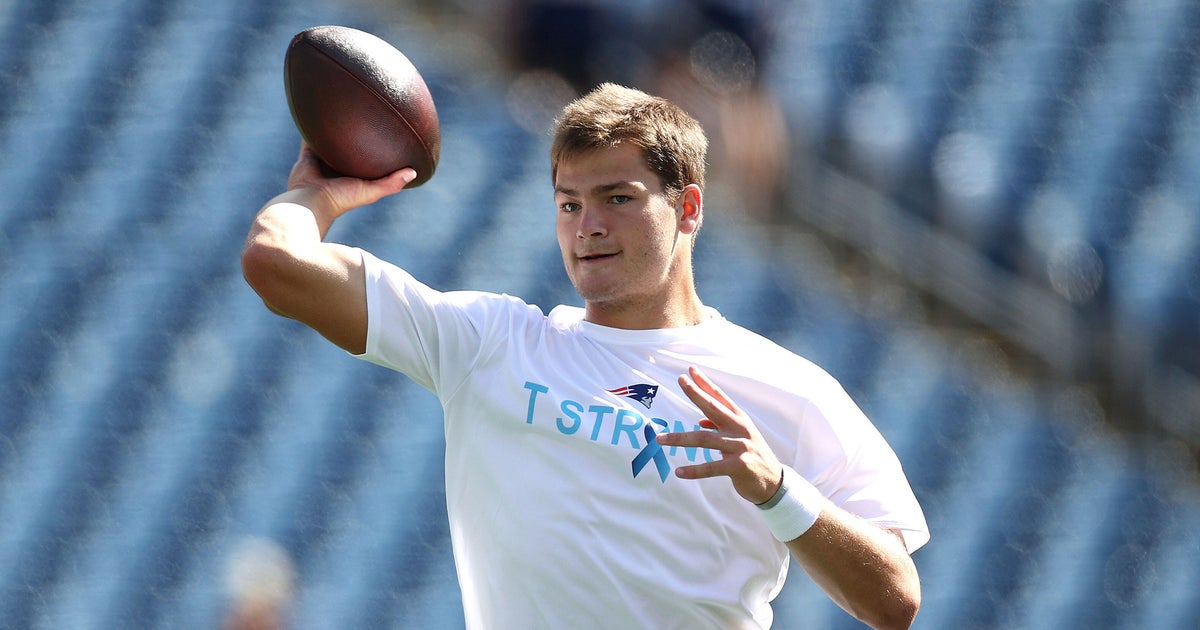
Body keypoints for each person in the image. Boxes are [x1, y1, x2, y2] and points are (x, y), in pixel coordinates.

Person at [241, 83, 929, 629]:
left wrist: (779, 491)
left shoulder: (786, 390)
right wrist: (318, 193)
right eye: (568, 204)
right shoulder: (492, 343)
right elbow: (276, 262)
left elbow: (894, 600)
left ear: (688, 208)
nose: (588, 226)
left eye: (618, 199)